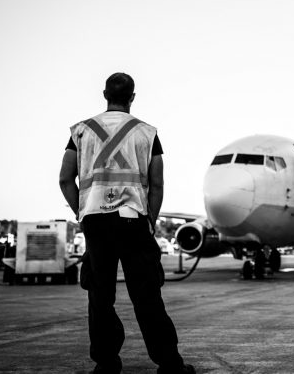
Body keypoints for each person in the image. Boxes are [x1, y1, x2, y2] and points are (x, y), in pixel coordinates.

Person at [59, 72, 195, 374]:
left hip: (95, 222)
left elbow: (65, 178)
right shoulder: (146, 133)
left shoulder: (82, 131)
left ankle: (106, 364)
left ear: (104, 93)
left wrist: (83, 213)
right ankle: (169, 364)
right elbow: (157, 184)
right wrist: (151, 220)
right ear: (132, 97)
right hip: (134, 221)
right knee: (147, 295)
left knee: (100, 295)